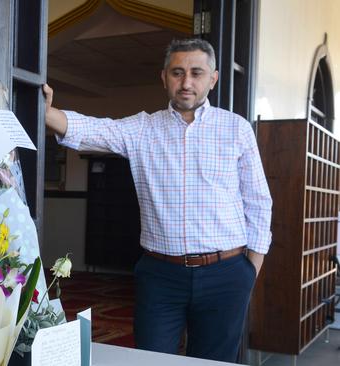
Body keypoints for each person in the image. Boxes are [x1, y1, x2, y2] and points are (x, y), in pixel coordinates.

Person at [43, 38, 272, 363]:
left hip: (227, 273)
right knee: (151, 359)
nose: (187, 82)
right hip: (161, 275)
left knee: (214, 362)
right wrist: (47, 112)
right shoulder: (143, 129)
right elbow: (94, 130)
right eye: (177, 73)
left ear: (213, 78)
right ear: (164, 77)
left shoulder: (236, 129)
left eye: (196, 73)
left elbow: (259, 201)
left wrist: (251, 268)